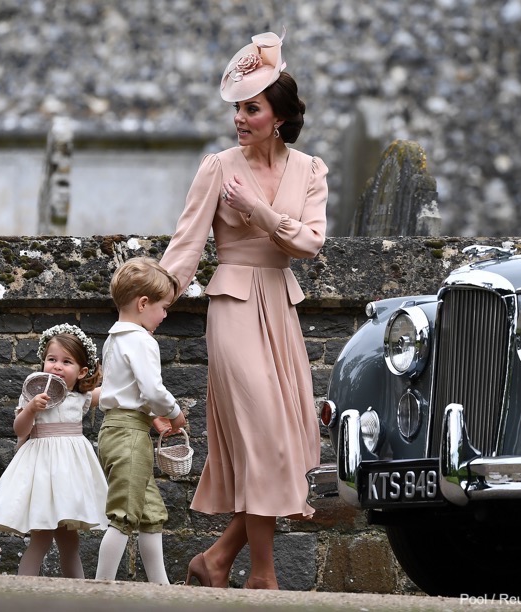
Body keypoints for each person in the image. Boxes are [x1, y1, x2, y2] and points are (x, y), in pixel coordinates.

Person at [159, 30, 328, 590]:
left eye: (251, 108)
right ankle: (264, 574)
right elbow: (184, 248)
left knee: (286, 441)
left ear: (277, 116)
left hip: (279, 306)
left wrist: (256, 210)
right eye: (237, 107)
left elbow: (308, 244)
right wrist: (148, 307)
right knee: (260, 434)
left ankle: (217, 559)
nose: (239, 117)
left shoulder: (311, 171)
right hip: (231, 306)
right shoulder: (217, 167)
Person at [0, 323, 108, 578]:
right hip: (41, 473)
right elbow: (20, 430)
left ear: (82, 372)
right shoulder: (32, 395)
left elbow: (114, 393)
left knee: (70, 543)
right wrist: (31, 410)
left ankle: (78, 594)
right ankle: (24, 593)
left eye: (66, 362)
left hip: (69, 477)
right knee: (41, 540)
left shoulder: (79, 398)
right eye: (51, 359)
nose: (57, 366)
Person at [94, 257, 187, 585]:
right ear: (143, 303)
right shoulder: (142, 340)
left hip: (116, 430)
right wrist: (174, 413)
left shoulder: (113, 339)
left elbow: (125, 391)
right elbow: (152, 389)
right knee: (123, 514)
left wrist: (152, 419)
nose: (164, 314)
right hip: (129, 438)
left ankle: (160, 587)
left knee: (149, 513)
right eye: (163, 307)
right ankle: (101, 587)